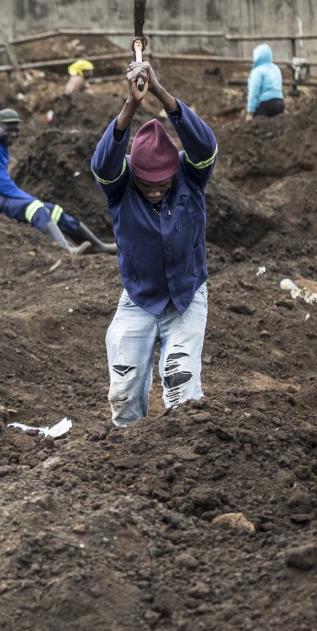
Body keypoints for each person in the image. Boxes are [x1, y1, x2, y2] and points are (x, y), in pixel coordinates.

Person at [89, 62, 217, 427]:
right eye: (148, 186)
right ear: (133, 175)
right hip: (139, 299)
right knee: (124, 389)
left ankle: (187, 454)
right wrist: (131, 104)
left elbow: (205, 144)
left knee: (181, 385)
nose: (157, 190)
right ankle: (131, 451)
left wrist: (159, 92)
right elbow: (102, 162)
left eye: (164, 183)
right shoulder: (120, 187)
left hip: (187, 297)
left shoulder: (190, 177)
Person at [0, 108, 112, 255]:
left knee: (54, 211)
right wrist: (34, 201)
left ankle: (98, 246)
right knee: (36, 208)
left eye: (16, 130)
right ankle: (66, 250)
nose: (14, 134)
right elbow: (5, 187)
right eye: (9, 130)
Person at [245, 43, 285, 119]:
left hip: (265, 105)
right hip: (279, 102)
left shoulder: (257, 71)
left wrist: (250, 111)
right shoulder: (276, 68)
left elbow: (254, 91)